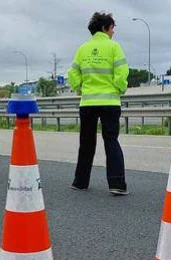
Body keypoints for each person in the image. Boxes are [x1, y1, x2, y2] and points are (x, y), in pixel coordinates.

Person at [67, 12, 130, 196]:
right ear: (105, 28)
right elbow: (121, 72)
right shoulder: (114, 47)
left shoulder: (82, 49)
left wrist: (80, 89)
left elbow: (73, 73)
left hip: (87, 103)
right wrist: (120, 88)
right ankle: (117, 184)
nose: (113, 32)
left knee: (86, 142)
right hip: (110, 102)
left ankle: (80, 182)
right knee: (111, 140)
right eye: (112, 28)